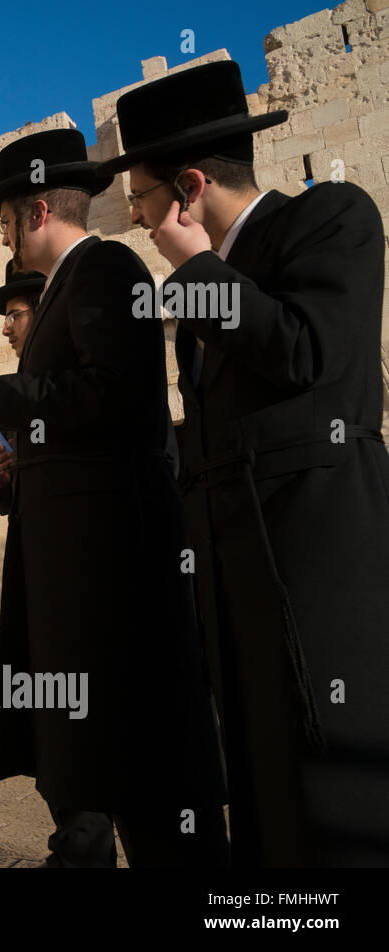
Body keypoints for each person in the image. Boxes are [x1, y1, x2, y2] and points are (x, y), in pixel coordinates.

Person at [105, 59, 389, 866]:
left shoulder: (331, 217)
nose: (137, 217)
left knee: (337, 810)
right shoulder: (206, 291)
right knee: (268, 814)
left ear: (188, 189)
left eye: (143, 199)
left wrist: (195, 272)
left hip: (321, 576)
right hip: (238, 596)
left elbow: (308, 353)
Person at [0, 128, 228, 867]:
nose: (2, 235)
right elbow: (78, 426)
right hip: (81, 586)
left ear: (36, 210)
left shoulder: (106, 268)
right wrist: (18, 472)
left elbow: (116, 399)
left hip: (117, 588)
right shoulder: (76, 285)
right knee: (98, 774)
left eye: (4, 219)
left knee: (154, 792)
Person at [0, 262, 45, 518]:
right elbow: (5, 502)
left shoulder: (74, 379)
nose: (5, 329)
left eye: (14, 316)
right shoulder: (16, 392)